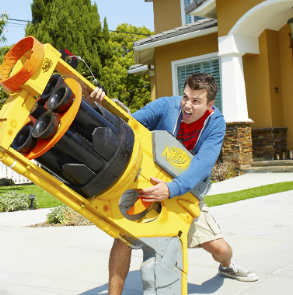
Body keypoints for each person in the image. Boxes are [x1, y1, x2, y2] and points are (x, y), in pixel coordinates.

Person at [89, 72, 258, 295]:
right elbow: (128, 125)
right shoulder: (167, 106)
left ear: (209, 105)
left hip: (184, 192)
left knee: (220, 249)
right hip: (148, 184)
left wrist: (171, 189)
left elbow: (203, 165)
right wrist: (100, 109)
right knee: (124, 236)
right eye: (186, 97)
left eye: (196, 101)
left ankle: (227, 266)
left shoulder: (216, 123)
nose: (188, 105)